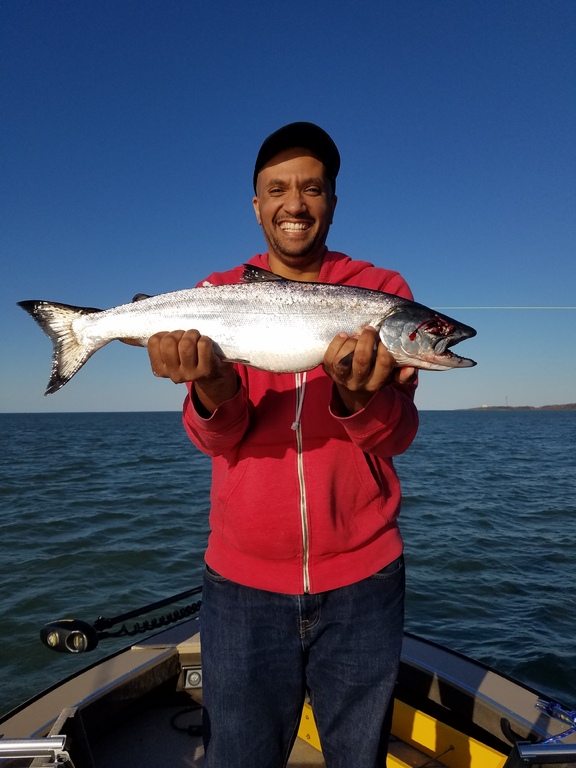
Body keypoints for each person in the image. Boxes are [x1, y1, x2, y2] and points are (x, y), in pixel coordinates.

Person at [147, 122, 419, 768]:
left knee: (359, 758)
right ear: (256, 204)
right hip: (240, 584)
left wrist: (356, 399)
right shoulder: (216, 295)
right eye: (277, 190)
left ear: (331, 200)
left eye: (312, 189)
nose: (295, 204)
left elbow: (395, 437)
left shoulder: (382, 294)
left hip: (364, 579)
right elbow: (217, 439)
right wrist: (210, 384)